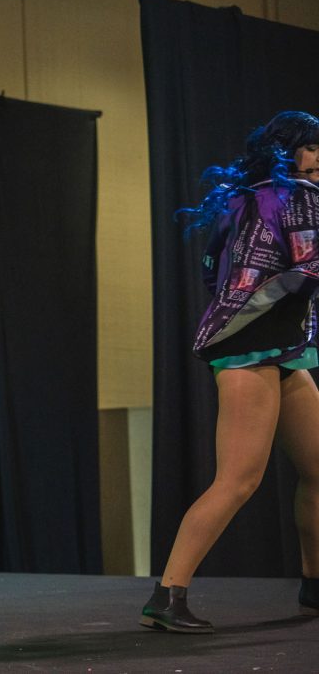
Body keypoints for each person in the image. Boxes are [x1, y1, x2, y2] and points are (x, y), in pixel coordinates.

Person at [141, 111, 319, 633]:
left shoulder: (240, 199)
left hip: (274, 346)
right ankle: (167, 596)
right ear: (287, 152)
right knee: (238, 480)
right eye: (312, 148)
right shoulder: (301, 197)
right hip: (253, 348)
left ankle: (314, 586)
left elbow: (210, 271)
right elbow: (311, 265)